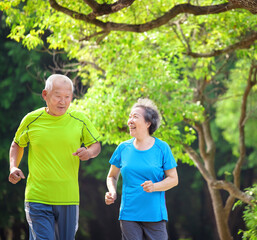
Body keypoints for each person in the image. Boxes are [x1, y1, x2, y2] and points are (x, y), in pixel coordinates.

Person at [8, 74, 101, 240]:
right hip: (38, 196)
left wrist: (89, 152)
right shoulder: (31, 120)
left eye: (67, 97)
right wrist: (13, 166)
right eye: (58, 96)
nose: (63, 101)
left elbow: (96, 146)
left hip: (69, 197)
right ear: (45, 95)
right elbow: (17, 144)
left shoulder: (80, 119)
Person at [105, 98, 178, 240]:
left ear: (148, 123)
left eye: (135, 116)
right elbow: (112, 176)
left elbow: (173, 179)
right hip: (129, 215)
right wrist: (112, 192)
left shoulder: (162, 148)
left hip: (155, 216)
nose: (130, 120)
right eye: (130, 116)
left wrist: (155, 186)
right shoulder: (123, 148)